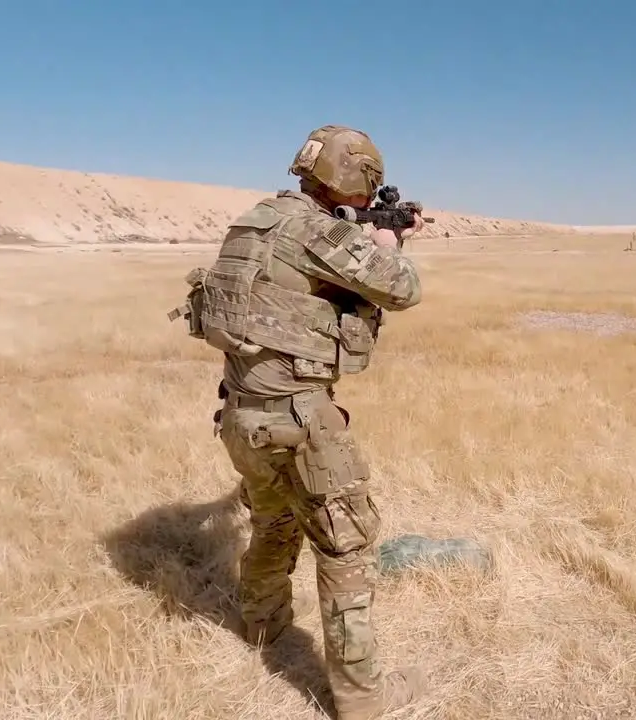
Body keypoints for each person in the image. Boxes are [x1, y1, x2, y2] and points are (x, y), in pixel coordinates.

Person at [169, 125, 426, 719]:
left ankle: (261, 624)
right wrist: (387, 244)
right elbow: (402, 289)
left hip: (241, 415)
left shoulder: (253, 223)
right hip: (302, 421)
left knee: (273, 523)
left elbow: (293, 286)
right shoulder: (315, 230)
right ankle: (363, 701)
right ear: (352, 175)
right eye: (368, 186)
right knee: (346, 548)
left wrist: (366, 231)